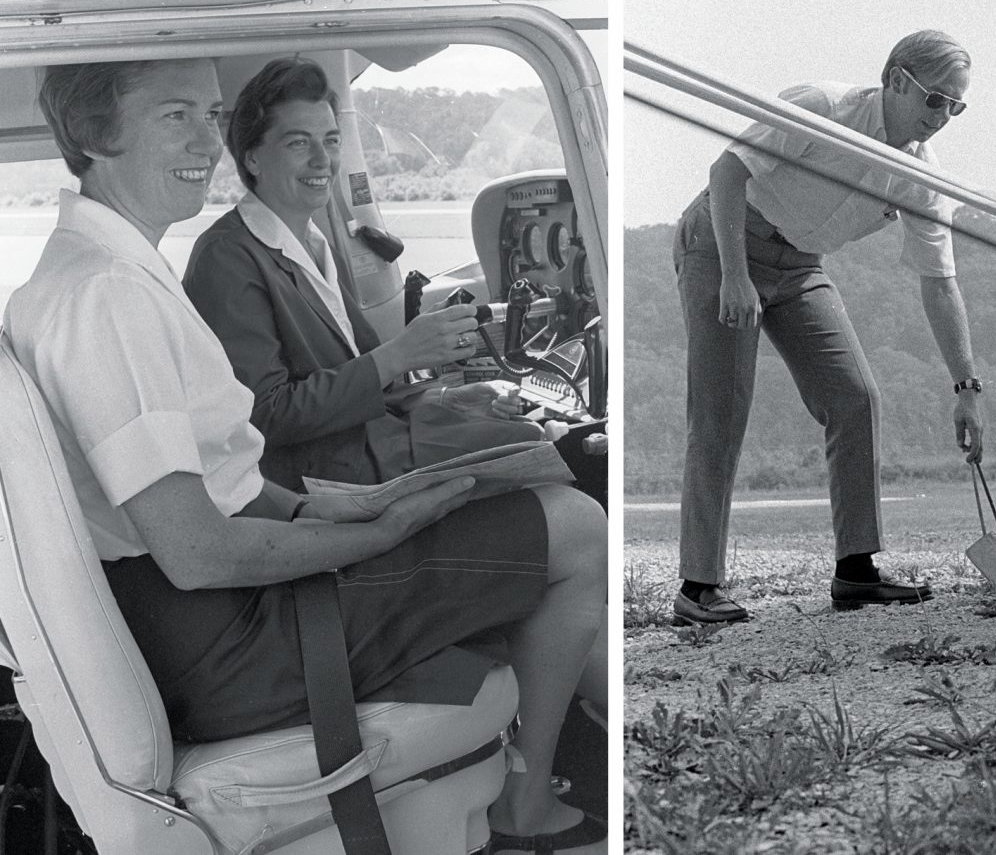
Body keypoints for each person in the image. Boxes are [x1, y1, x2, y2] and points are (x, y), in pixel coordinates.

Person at [7, 58, 607, 853]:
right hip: (229, 643)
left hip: (206, 624)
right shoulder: (107, 295)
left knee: (513, 503)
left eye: (211, 114)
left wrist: (321, 510)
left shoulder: (92, 273)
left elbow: (214, 479)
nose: (206, 141)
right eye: (174, 115)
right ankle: (525, 808)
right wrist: (381, 533)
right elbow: (196, 551)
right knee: (575, 525)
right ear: (93, 133)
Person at [673, 30, 984, 625]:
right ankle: (697, 585)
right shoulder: (822, 106)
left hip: (800, 266)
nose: (943, 117)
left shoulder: (922, 175)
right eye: (934, 100)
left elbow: (940, 282)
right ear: (895, 80)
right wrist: (735, 277)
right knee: (721, 407)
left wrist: (967, 388)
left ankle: (855, 571)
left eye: (955, 106)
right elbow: (726, 173)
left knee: (855, 397)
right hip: (723, 242)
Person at [183, 57, 526, 490]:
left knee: (534, 435)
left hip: (364, 442)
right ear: (252, 158)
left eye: (330, 141)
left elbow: (352, 378)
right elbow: (264, 416)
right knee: (533, 446)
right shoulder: (227, 257)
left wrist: (441, 399)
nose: (322, 160)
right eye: (298, 144)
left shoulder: (311, 244)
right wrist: (399, 355)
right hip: (323, 476)